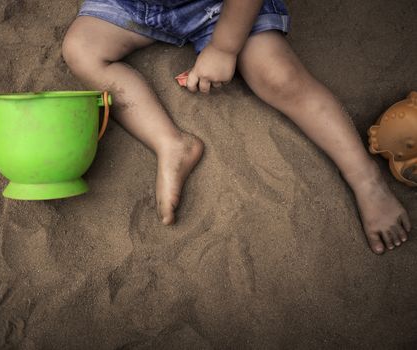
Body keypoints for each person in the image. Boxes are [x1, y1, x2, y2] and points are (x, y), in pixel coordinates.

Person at [62, 0, 411, 254]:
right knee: (81, 49)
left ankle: (366, 179)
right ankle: (170, 143)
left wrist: (224, 48)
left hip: (225, 8)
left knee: (278, 76)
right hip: (139, 6)